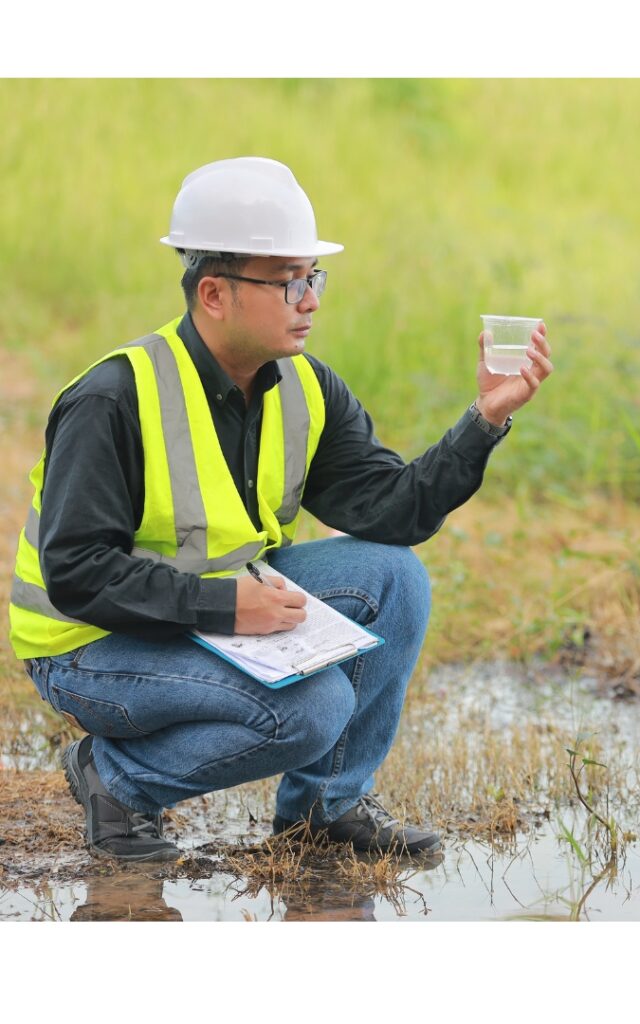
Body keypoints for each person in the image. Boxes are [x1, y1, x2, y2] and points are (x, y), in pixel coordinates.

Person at [8, 156, 552, 863]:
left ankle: (326, 808)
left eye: (314, 278)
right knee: (314, 706)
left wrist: (483, 420)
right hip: (87, 649)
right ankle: (116, 779)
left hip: (211, 614)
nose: (311, 300)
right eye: (290, 281)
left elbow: (394, 513)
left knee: (394, 575)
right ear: (213, 293)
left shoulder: (304, 387)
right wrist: (227, 608)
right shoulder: (113, 399)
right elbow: (78, 574)